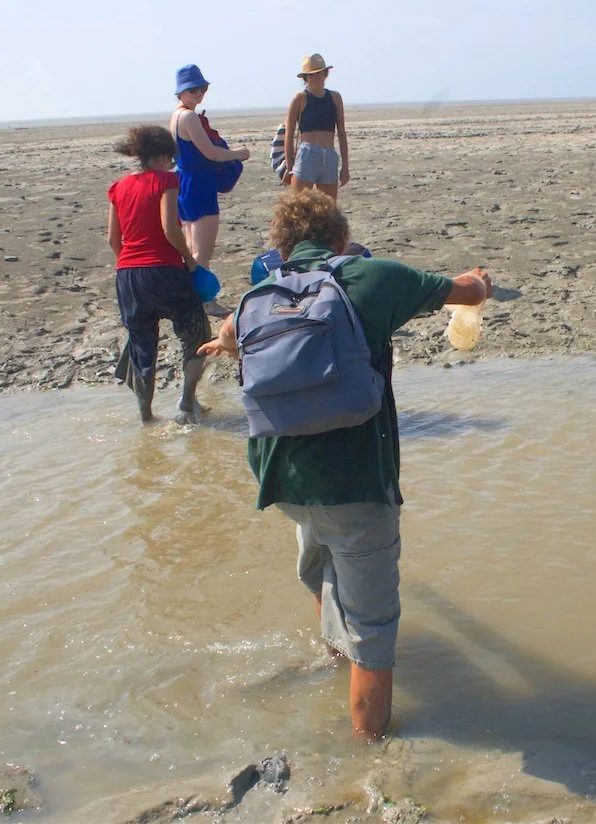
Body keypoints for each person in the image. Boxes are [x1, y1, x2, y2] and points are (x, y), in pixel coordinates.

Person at [199, 190, 492, 739]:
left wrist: (220, 345)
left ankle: (334, 659)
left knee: (320, 566)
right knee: (373, 634)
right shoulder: (373, 277)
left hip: (282, 481)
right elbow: (467, 291)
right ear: (340, 239)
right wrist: (479, 280)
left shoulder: (259, 295)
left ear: (281, 248)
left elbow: (231, 338)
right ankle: (368, 759)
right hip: (355, 483)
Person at [107, 125, 210, 425]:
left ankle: (147, 417)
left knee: (141, 345)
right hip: (164, 270)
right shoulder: (166, 180)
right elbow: (170, 229)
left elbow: (113, 240)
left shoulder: (118, 187)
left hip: (127, 275)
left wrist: (131, 266)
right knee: (196, 334)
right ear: (164, 156)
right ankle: (186, 403)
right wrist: (189, 260)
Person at [169, 64, 250, 318]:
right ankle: (205, 301)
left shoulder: (176, 116)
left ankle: (194, 299)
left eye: (202, 88)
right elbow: (210, 153)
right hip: (199, 183)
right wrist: (238, 154)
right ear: (181, 92)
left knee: (192, 247)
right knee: (202, 250)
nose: (199, 94)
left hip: (185, 182)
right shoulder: (189, 118)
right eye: (193, 90)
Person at [283, 54, 349, 200]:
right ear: (305, 78)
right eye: (311, 75)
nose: (315, 78)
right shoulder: (299, 98)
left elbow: (341, 133)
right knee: (299, 205)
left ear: (325, 74)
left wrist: (345, 166)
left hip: (329, 156)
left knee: (328, 207)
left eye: (319, 73)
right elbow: (289, 134)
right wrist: (289, 166)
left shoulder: (335, 97)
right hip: (307, 155)